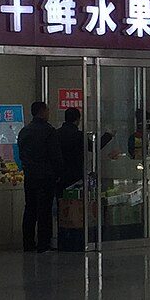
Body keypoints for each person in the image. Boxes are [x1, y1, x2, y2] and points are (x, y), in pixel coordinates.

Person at [16, 101, 61, 252]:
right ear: (43, 111)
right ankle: (43, 243)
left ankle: (27, 243)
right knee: (44, 210)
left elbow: (21, 153)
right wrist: (57, 173)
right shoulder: (49, 131)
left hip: (30, 176)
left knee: (30, 209)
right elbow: (55, 156)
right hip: (46, 176)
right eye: (47, 110)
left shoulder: (24, 131)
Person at [55, 106, 85, 248]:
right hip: (76, 177)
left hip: (59, 177)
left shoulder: (56, 134)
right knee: (76, 209)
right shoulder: (78, 135)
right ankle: (76, 239)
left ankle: (62, 238)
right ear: (77, 120)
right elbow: (93, 146)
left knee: (62, 208)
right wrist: (109, 135)